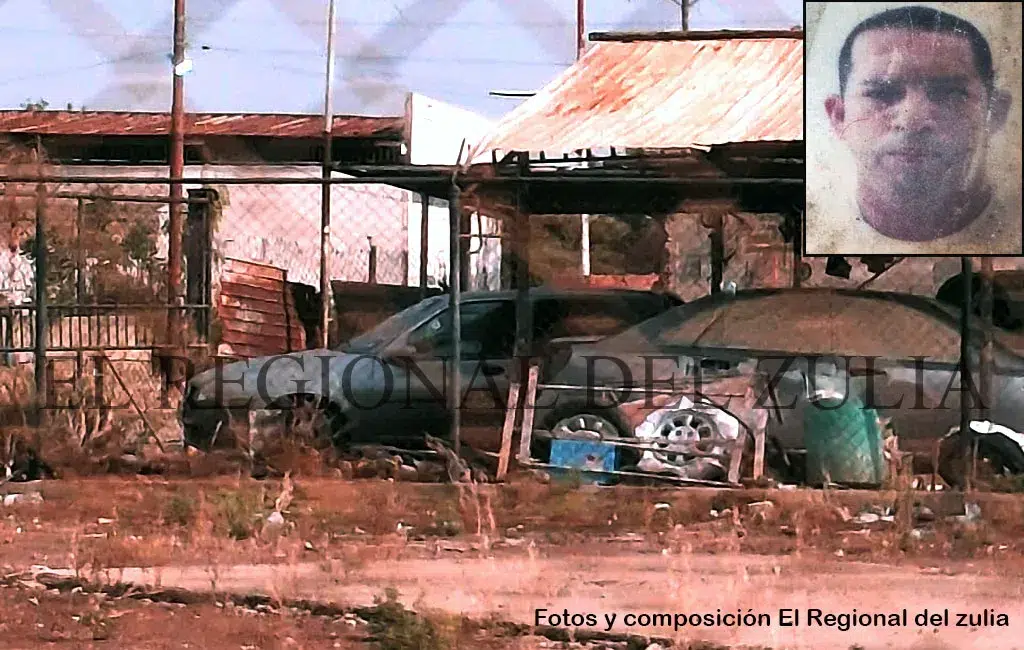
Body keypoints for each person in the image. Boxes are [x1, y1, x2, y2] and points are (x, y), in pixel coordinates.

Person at [811, 5, 1019, 255]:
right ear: (839, 116)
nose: (913, 120)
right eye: (881, 93)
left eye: (950, 94)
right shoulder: (815, 230)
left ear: (994, 113)